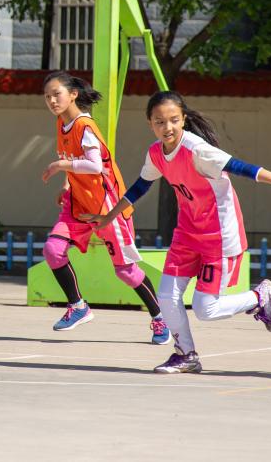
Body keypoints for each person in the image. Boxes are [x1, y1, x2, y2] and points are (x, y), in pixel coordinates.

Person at [89, 91, 271, 373]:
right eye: (160, 121)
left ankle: (259, 297)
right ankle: (186, 355)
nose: (167, 127)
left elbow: (241, 167)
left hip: (219, 234)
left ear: (183, 119)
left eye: (174, 120)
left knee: (205, 309)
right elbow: (141, 186)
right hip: (187, 232)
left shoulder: (197, 149)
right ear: (150, 123)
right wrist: (109, 217)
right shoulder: (156, 153)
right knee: (167, 296)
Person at [40, 71, 168, 343]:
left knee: (125, 271)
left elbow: (95, 165)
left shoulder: (84, 126)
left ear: (73, 94)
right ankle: (78, 306)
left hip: (106, 207)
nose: (51, 100)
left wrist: (61, 166)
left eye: (56, 94)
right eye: (47, 96)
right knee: (53, 249)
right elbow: (73, 159)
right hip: (78, 203)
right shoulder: (62, 123)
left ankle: (160, 318)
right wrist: (67, 182)